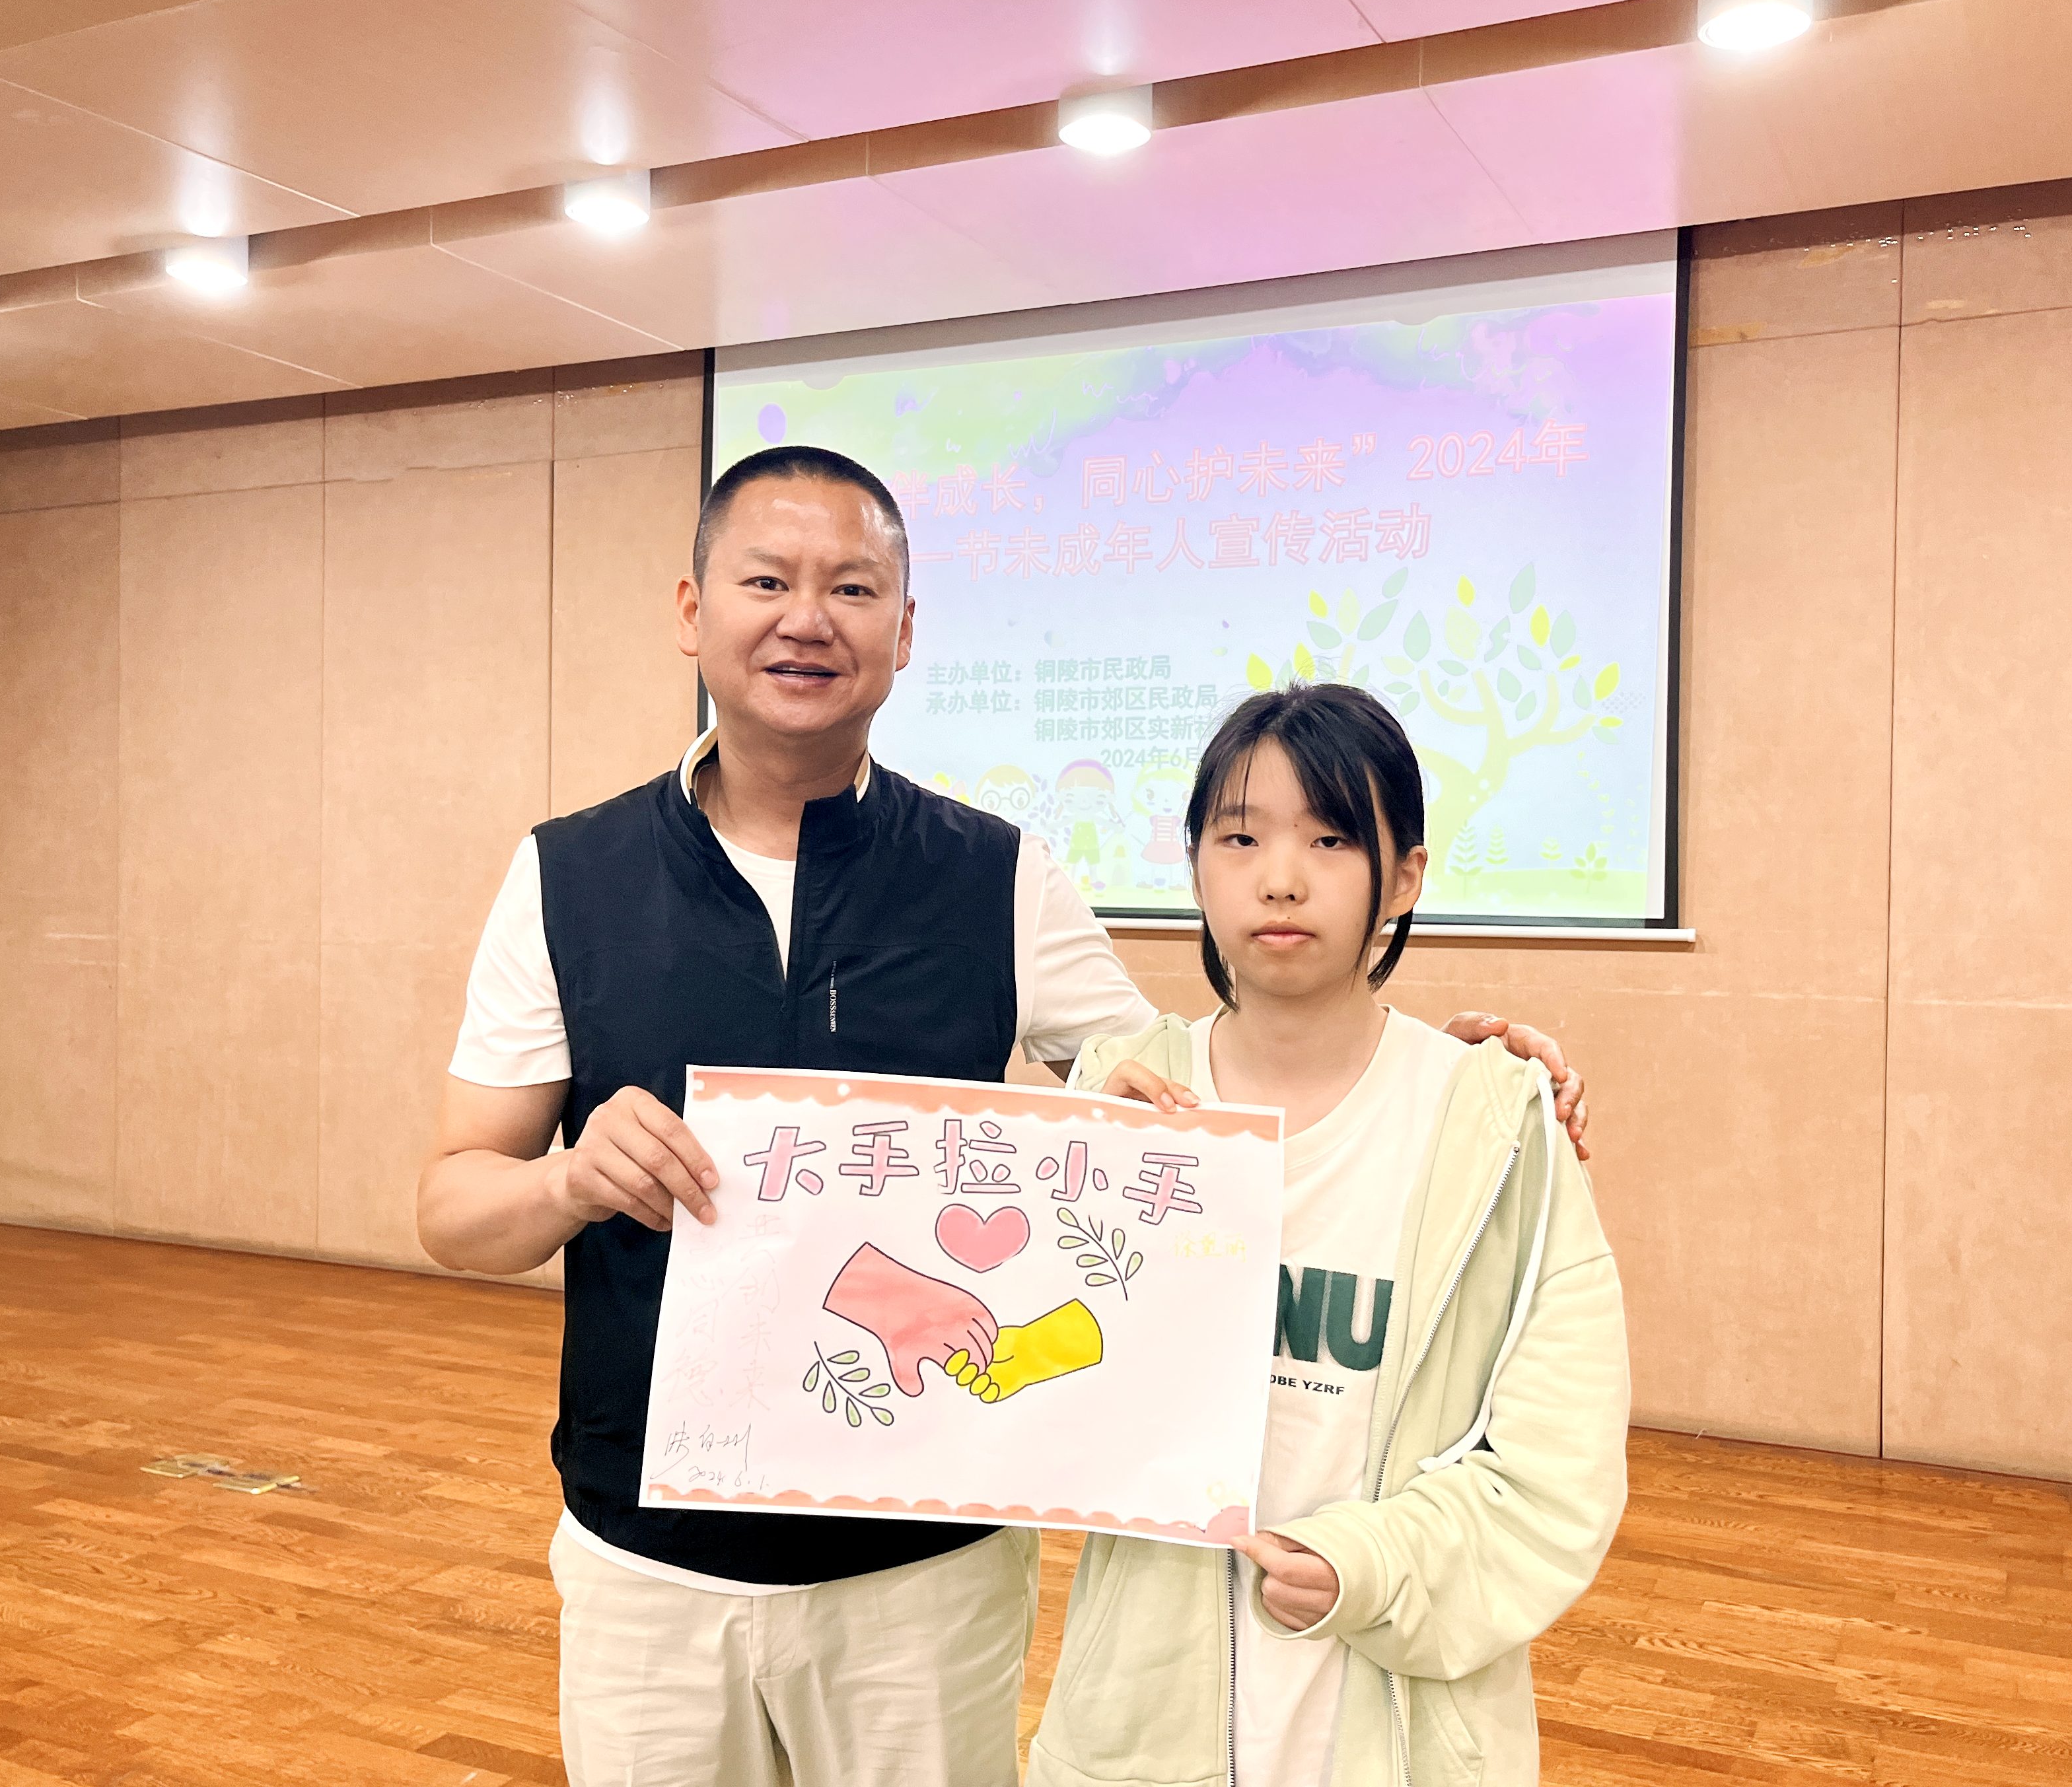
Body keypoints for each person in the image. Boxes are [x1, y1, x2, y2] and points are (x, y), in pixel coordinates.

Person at [414, 445, 1596, 1787]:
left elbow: (1197, 1095)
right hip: (648, 1563)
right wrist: (565, 1182)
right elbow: (453, 1203)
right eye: (767, 580)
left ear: (906, 629)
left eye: (852, 587)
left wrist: (1445, 1072)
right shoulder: (567, 876)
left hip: (923, 1577)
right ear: (692, 609)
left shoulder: (997, 875)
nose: (808, 618)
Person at [1028, 682, 1629, 1787]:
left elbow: (1558, 1474)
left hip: (1401, 1721)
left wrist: (1366, 1564)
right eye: (1241, 837)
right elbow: (1022, 1400)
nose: (1281, 876)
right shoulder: (1123, 1108)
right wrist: (1064, 1197)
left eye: (1332, 838)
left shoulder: (1495, 1128)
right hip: (1146, 1717)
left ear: (1404, 875)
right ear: (1194, 864)